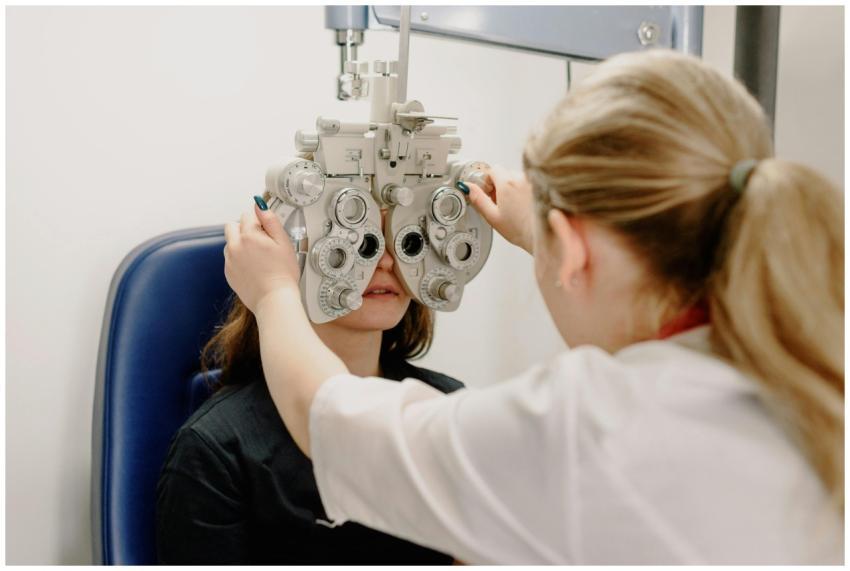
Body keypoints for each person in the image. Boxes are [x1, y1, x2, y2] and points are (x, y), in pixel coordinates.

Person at [222, 50, 844, 564]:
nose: (383, 260)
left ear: (572, 249)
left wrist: (275, 294)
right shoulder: (811, 363)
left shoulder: (589, 431)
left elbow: (336, 425)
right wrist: (543, 233)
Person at [155, 206, 464, 564]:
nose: (386, 262)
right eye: (360, 242)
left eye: (404, 240)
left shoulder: (449, 406)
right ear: (292, 257)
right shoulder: (216, 450)